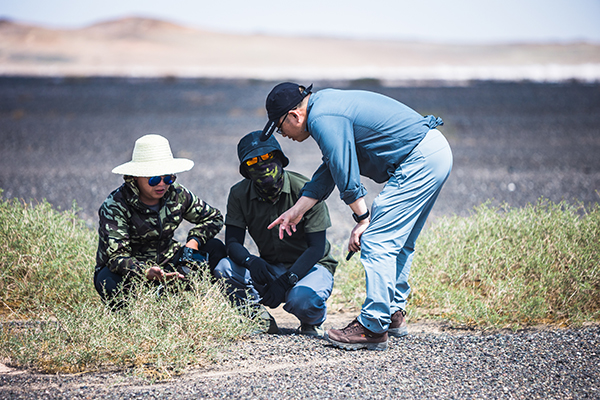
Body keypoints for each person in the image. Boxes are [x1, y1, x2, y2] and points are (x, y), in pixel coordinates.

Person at [261, 83, 453, 350]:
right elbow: (331, 165)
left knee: (377, 241)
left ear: (294, 115)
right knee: (399, 242)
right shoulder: (325, 105)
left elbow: (343, 168)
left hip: (418, 158)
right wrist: (297, 210)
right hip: (434, 151)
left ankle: (372, 328)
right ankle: (392, 314)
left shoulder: (322, 117)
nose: (282, 134)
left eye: (280, 127)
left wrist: (363, 220)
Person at [214, 130, 338, 336]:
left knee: (302, 300)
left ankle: (312, 321)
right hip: (271, 267)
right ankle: (259, 319)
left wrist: (286, 281)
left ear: (280, 159)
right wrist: (251, 262)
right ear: (245, 170)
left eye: (266, 157)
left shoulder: (307, 191)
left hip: (311, 267)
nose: (261, 165)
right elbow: (232, 243)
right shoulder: (239, 194)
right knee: (224, 268)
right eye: (253, 162)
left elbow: (316, 249)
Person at [94, 134, 227, 308]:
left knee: (214, 248)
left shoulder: (177, 194)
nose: (162, 185)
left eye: (168, 178)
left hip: (168, 264)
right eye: (154, 179)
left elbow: (214, 217)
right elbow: (116, 258)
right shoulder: (115, 205)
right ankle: (135, 317)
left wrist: (193, 242)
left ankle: (183, 302)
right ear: (135, 177)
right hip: (133, 272)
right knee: (106, 280)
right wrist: (146, 272)